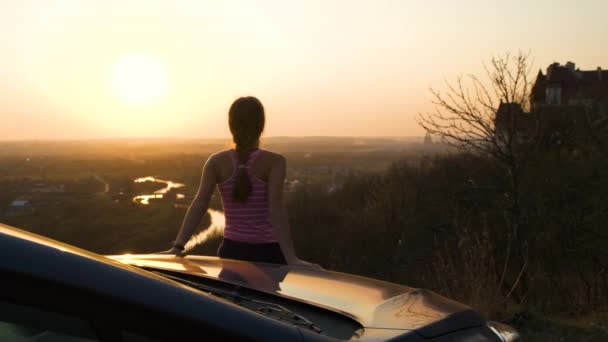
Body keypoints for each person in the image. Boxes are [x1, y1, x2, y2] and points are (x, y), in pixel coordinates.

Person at [161, 96, 318, 268]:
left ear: (231, 126)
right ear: (261, 126)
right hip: (268, 252)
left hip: (231, 251)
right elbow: (276, 210)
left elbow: (199, 204)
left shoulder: (216, 161)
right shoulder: (275, 162)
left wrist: (177, 247)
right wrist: (291, 258)